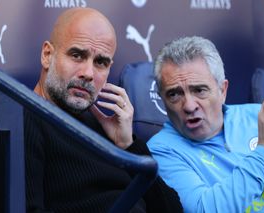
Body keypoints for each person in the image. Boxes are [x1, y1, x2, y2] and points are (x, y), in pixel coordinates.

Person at [24, 7, 183, 213]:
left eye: (100, 62)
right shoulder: (20, 119)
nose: (88, 73)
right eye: (77, 55)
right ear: (47, 55)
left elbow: (171, 210)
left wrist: (128, 146)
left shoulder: (104, 124)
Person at [147, 36, 264, 213]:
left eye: (199, 90)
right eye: (174, 94)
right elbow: (204, 210)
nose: (189, 106)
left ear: (223, 90)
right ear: (162, 99)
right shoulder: (161, 149)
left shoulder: (259, 116)